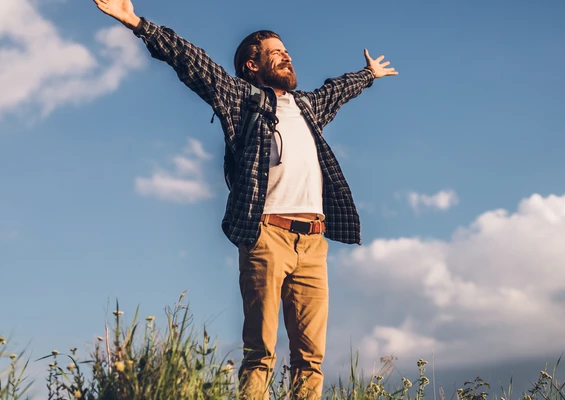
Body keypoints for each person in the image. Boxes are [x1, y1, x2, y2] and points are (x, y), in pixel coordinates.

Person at [93, 0, 398, 398]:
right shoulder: (242, 100)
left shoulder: (306, 107)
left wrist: (368, 75)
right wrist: (137, 23)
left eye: (287, 52)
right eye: (277, 53)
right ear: (253, 65)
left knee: (311, 356)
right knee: (261, 350)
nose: (287, 57)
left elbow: (335, 91)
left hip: (313, 243)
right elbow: (191, 60)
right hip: (267, 235)